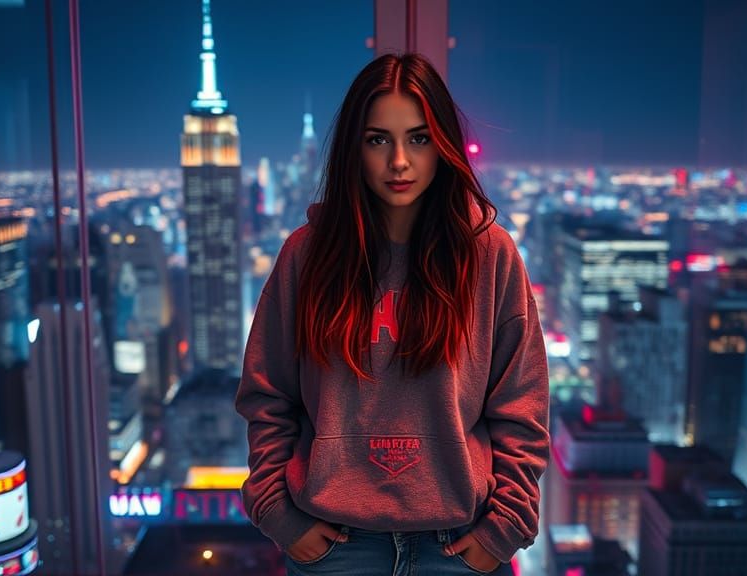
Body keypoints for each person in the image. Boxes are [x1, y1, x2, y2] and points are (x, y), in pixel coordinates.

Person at [235, 52, 550, 575]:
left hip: (459, 545)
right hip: (335, 545)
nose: (399, 161)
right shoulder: (306, 256)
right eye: (378, 139)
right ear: (353, 149)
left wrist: (503, 529)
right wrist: (279, 514)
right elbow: (268, 397)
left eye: (419, 138)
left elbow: (523, 407)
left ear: (444, 145)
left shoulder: (490, 255)